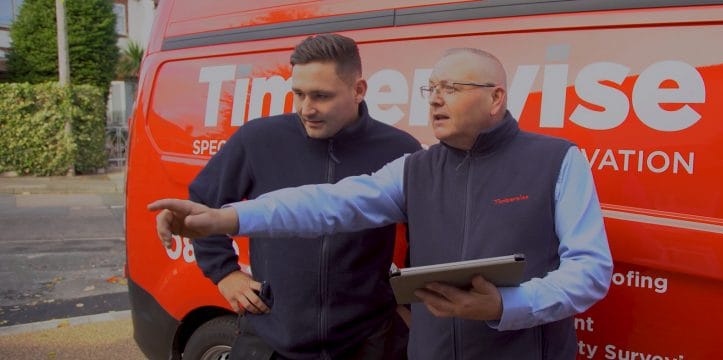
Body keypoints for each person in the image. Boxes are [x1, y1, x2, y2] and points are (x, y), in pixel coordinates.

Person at [151, 48, 613, 359]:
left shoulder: (557, 160)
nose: (435, 100)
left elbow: (590, 272)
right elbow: (328, 203)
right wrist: (227, 218)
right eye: (431, 89)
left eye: (451, 88)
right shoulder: (415, 168)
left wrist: (506, 306)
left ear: (495, 99)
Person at [180, 33, 421, 359]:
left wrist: (410, 305)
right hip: (272, 334)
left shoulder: (398, 148)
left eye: (321, 96)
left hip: (367, 338)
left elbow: (423, 234)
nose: (307, 109)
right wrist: (224, 273)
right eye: (298, 94)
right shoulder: (259, 139)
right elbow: (203, 202)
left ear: (358, 90)